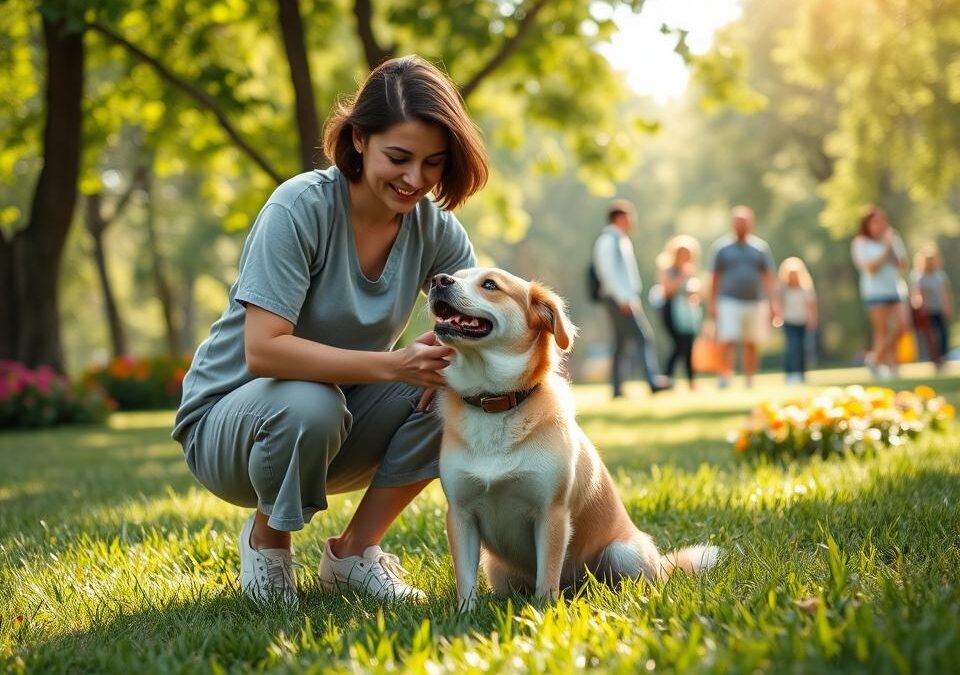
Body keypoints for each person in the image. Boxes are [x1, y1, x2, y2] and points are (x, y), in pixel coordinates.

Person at [171, 56, 488, 607]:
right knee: (309, 403)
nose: (415, 180)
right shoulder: (299, 207)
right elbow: (265, 350)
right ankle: (267, 544)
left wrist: (448, 357)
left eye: (433, 163)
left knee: (454, 391)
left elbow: (477, 324)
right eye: (399, 157)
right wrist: (395, 365)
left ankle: (352, 555)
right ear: (359, 139)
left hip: (337, 418)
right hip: (231, 426)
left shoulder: (434, 229)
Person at [592, 200, 672, 398]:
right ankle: (652, 381)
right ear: (619, 218)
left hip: (625, 298)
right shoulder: (608, 241)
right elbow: (608, 273)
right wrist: (623, 299)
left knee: (620, 343)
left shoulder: (621, 240)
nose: (632, 221)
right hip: (619, 299)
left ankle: (617, 388)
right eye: (629, 216)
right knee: (643, 337)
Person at [707, 206, 780, 388]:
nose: (741, 225)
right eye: (738, 222)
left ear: (751, 224)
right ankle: (725, 377)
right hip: (728, 300)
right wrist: (712, 303)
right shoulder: (721, 248)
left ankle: (749, 379)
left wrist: (774, 303)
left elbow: (769, 277)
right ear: (732, 224)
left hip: (755, 301)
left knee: (751, 342)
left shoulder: (760, 248)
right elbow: (714, 278)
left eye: (744, 222)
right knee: (727, 340)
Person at [851, 206, 908, 379]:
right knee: (882, 331)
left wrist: (891, 245)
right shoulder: (861, 243)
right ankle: (888, 367)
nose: (879, 225)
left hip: (894, 288)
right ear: (867, 224)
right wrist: (885, 247)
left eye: (882, 221)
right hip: (875, 292)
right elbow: (872, 267)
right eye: (875, 222)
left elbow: (902, 264)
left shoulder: (892, 238)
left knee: (901, 327)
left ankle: (875, 359)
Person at [656, 235, 703, 389]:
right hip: (671, 310)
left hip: (687, 313)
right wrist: (682, 277)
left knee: (688, 345)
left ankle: (691, 381)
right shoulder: (668, 269)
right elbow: (667, 290)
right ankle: (666, 378)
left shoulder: (691, 270)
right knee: (678, 345)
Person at [910, 245, 953, 370]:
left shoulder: (940, 275)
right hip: (927, 311)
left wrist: (947, 307)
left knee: (943, 333)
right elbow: (916, 293)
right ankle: (935, 358)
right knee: (931, 336)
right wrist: (918, 305)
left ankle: (943, 357)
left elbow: (944, 293)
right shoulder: (918, 276)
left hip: (938, 308)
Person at [777, 257, 818, 384]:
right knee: (792, 347)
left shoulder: (805, 288)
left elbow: (811, 305)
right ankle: (791, 373)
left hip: (802, 321)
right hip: (789, 321)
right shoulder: (783, 289)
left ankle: (801, 373)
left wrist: (812, 319)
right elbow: (778, 304)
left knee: (802, 348)